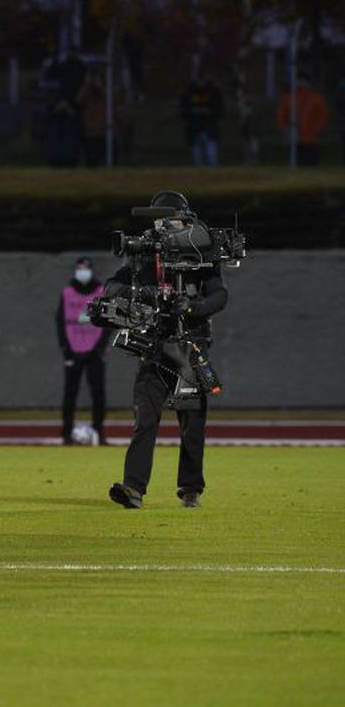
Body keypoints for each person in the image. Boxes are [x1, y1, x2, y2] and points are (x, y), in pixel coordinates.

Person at [107, 191, 228, 509]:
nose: (163, 226)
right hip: (154, 346)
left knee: (191, 425)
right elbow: (112, 285)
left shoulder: (201, 252)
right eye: (159, 220)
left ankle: (191, 489)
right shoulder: (147, 251)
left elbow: (219, 296)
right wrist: (142, 293)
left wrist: (192, 308)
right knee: (144, 419)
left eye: (168, 219)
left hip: (189, 349)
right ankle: (133, 489)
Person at [56, 257, 108, 446]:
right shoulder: (67, 292)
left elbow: (108, 322)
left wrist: (100, 347)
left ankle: (99, 433)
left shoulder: (101, 292)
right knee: (70, 393)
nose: (82, 272)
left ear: (91, 270)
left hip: (95, 351)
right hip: (73, 350)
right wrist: (66, 348)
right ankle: (66, 434)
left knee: (98, 394)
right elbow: (60, 321)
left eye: (85, 268)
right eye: (79, 268)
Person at [277, 74, 330, 166]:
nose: (300, 84)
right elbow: (281, 116)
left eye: (302, 81)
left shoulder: (316, 98)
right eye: (298, 81)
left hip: (311, 139)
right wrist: (285, 129)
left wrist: (316, 130)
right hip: (294, 138)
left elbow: (322, 116)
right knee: (297, 162)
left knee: (310, 163)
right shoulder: (288, 98)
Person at [179, 72, 223, 166]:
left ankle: (212, 170)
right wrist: (193, 112)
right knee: (198, 158)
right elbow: (183, 110)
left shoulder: (213, 91)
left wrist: (208, 111)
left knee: (211, 156)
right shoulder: (189, 91)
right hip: (194, 127)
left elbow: (219, 109)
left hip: (209, 127)